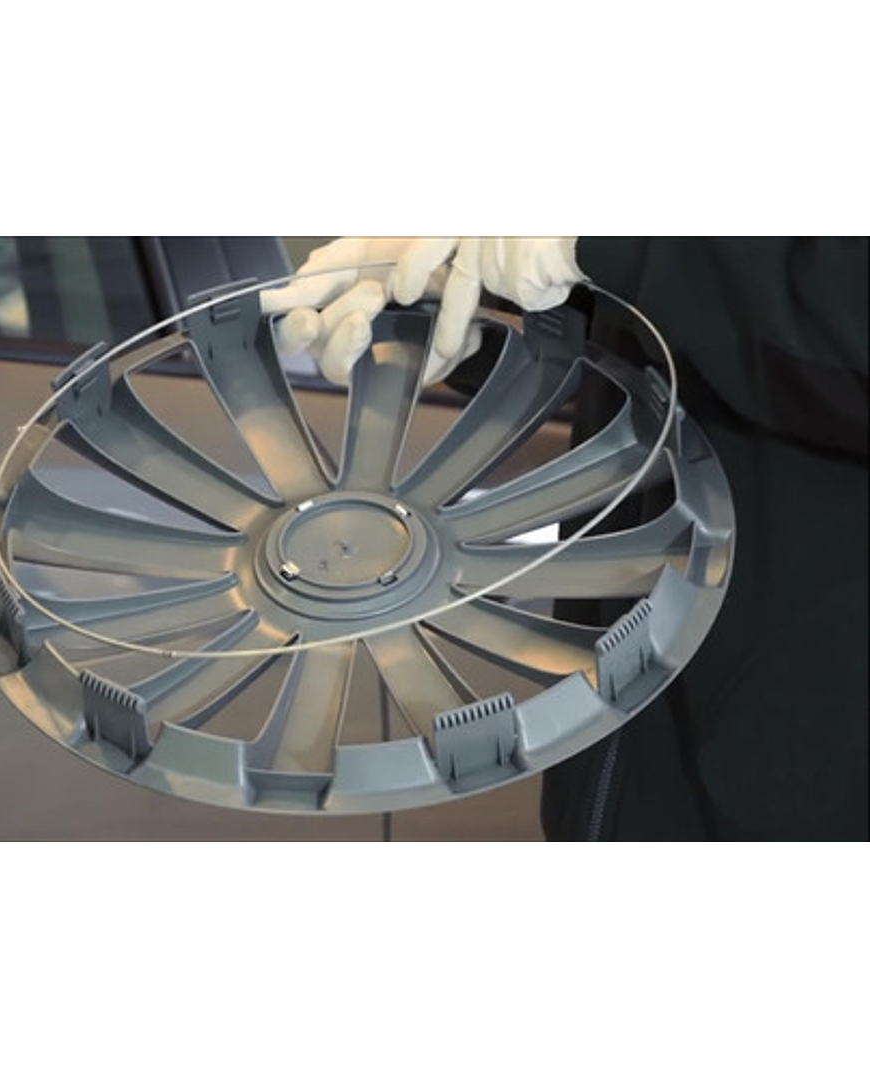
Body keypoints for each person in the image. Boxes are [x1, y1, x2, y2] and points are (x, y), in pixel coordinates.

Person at [263, 236, 869, 842]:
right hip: (627, 730)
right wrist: (482, 302)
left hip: (797, 752)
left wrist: (603, 248)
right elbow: (673, 335)